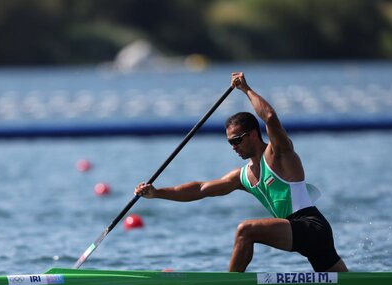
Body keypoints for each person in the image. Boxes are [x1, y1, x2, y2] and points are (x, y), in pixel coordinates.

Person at [135, 72, 348, 273]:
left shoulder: (279, 153)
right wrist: (156, 193)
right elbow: (200, 189)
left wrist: (245, 89)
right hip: (298, 233)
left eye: (237, 140)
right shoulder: (242, 176)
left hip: (310, 225)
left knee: (245, 230)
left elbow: (271, 117)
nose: (233, 147)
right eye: (230, 142)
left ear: (254, 135)